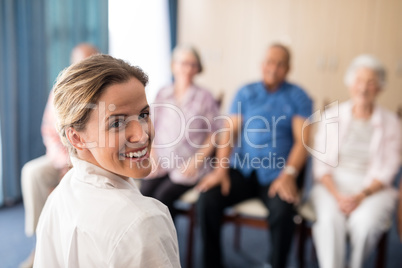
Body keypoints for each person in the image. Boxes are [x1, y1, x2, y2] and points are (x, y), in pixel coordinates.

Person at [33, 54, 180, 267]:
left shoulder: (59, 197)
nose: (142, 134)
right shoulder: (143, 222)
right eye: (117, 123)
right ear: (77, 137)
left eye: (143, 114)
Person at [196, 44, 313, 268]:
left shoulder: (298, 96)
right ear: (262, 65)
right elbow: (228, 133)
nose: (274, 68)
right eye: (270, 62)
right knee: (207, 199)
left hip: (278, 173)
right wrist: (221, 171)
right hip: (243, 169)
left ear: (288, 68)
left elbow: (303, 141)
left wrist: (289, 175)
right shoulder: (246, 92)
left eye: (280, 64)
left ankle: (274, 263)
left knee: (284, 210)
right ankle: (212, 263)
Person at [310, 55, 401, 268]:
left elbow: (389, 169)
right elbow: (320, 165)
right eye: (359, 81)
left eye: (371, 83)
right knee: (329, 221)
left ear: (380, 88)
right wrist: (337, 195)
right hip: (332, 183)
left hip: (373, 187)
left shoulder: (392, 123)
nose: (363, 88)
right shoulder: (331, 115)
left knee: (366, 225)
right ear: (351, 84)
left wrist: (361, 195)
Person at [19, 43, 98, 268]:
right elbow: (49, 131)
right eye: (80, 62)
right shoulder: (60, 90)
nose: (84, 67)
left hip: (92, 158)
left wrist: (77, 164)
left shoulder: (105, 90)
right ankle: (40, 242)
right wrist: (65, 162)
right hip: (63, 156)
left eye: (90, 61)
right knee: (32, 172)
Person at [140, 45, 219, 219]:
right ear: (173, 65)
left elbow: (213, 134)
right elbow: (150, 126)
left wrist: (196, 161)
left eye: (192, 64)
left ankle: (166, 243)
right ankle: (148, 241)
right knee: (143, 194)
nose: (188, 68)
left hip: (190, 164)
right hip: (160, 160)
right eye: (183, 63)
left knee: (162, 197)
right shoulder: (163, 92)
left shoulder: (205, 96)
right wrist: (152, 155)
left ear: (198, 68)